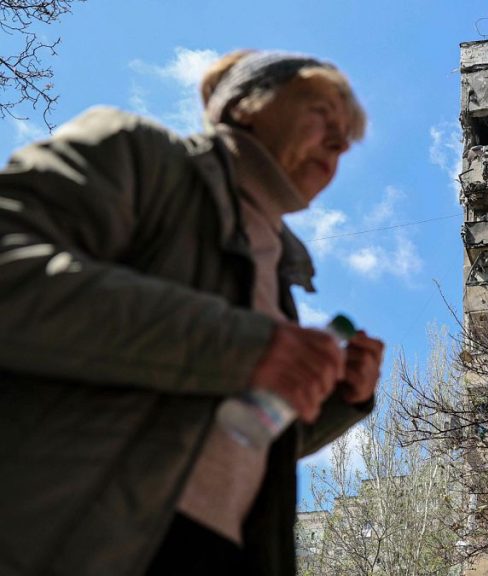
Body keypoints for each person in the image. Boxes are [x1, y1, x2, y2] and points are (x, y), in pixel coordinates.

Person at [0, 50, 383, 576]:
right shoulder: (137, 153)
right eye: (321, 112)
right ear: (246, 105)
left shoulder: (279, 278)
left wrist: (342, 397)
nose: (340, 144)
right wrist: (246, 348)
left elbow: (235, 434)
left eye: (348, 138)